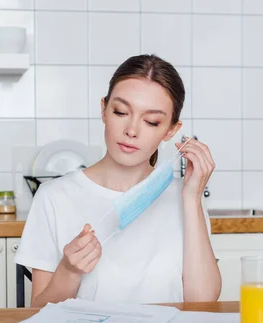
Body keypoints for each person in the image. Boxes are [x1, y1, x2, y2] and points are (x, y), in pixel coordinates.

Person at [15, 54, 221, 307]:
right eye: (121, 112)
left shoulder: (186, 199)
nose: (131, 130)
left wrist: (191, 199)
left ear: (170, 130)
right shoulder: (53, 197)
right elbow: (37, 312)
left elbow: (203, 303)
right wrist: (69, 271)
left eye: (151, 121)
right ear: (103, 109)